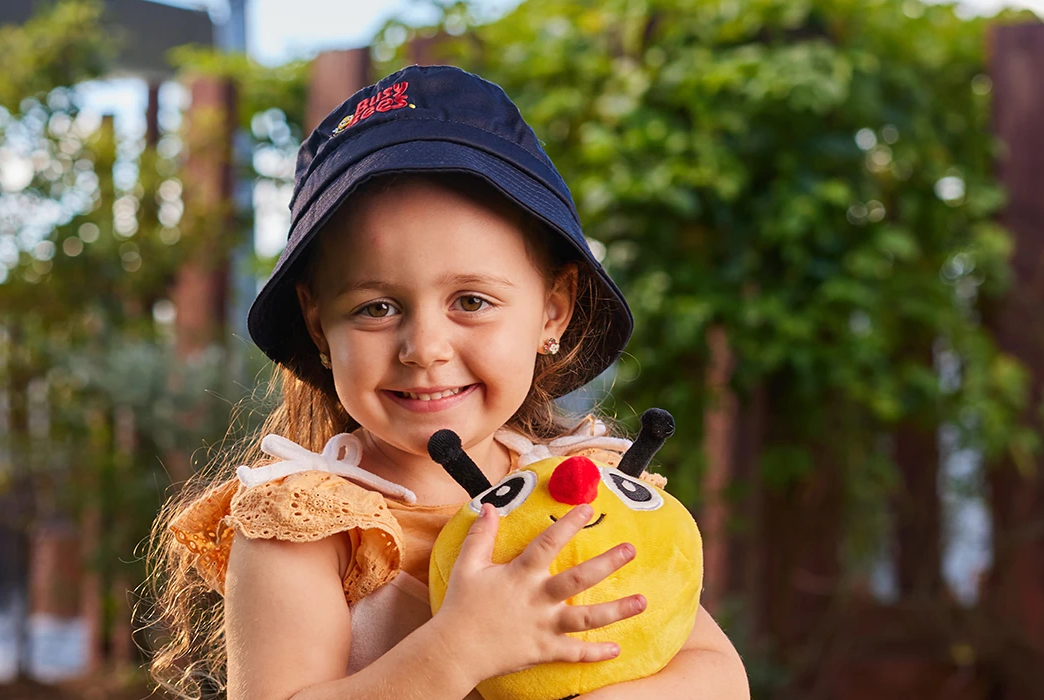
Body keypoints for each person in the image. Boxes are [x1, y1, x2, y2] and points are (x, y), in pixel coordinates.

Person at [150, 65, 748, 700]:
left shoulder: (578, 491)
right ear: (320, 327)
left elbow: (716, 673)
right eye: (376, 308)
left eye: (471, 300)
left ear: (552, 311)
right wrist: (458, 649)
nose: (425, 350)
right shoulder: (310, 528)